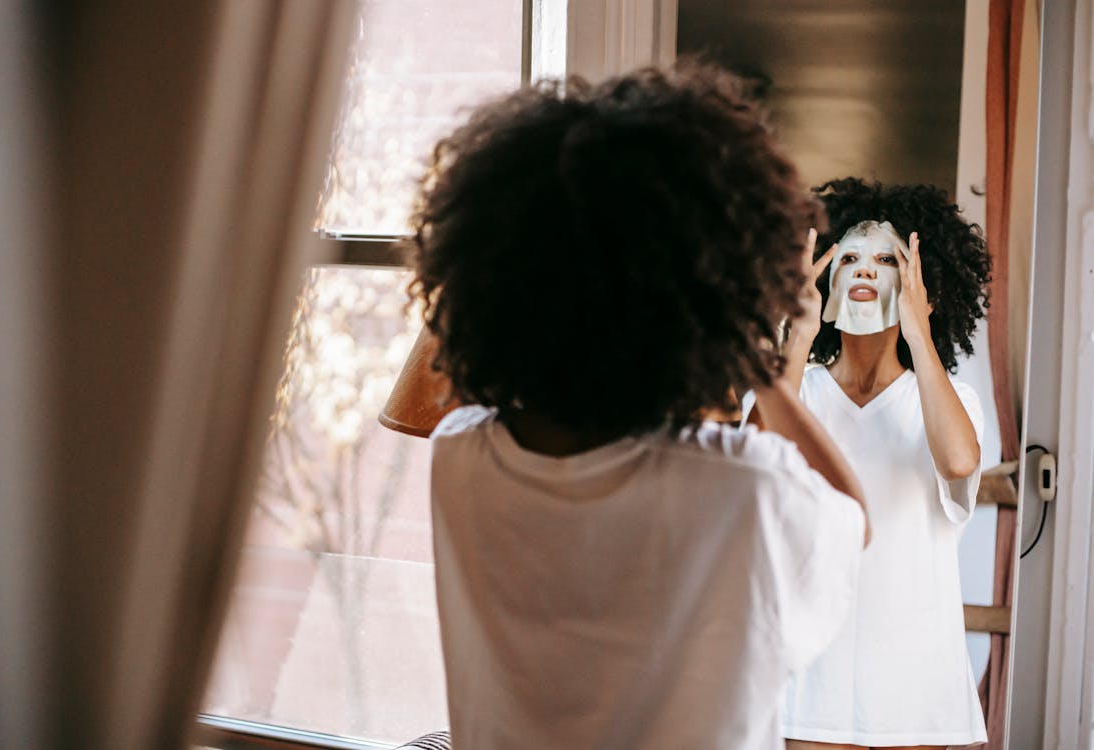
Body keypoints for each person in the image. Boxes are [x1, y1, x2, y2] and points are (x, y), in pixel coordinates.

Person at [405, 64, 870, 749]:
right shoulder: (742, 484)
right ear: (718, 295)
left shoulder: (458, 455)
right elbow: (850, 522)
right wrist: (764, 354)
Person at [772, 178, 992, 749]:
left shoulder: (949, 400)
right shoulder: (795, 390)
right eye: (848, 257)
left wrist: (918, 330)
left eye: (887, 259)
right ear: (824, 277)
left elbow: (961, 460)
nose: (865, 270)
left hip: (914, 686)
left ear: (925, 285)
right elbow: (753, 468)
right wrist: (797, 338)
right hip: (807, 684)